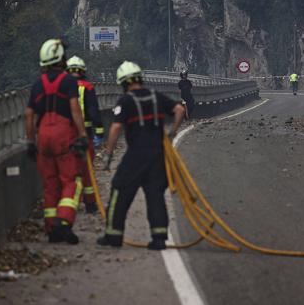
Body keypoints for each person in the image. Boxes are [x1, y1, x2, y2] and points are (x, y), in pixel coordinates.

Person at [97, 61, 185, 250]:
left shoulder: (126, 100)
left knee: (119, 190)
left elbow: (116, 127)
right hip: (158, 154)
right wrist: (173, 133)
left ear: (124, 83)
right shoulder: (155, 96)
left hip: (136, 154)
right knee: (155, 194)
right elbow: (179, 109)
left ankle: (113, 235)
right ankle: (159, 238)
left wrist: (109, 155)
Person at [25, 39, 89, 244]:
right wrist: (82, 135)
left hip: (43, 135)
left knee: (50, 184)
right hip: (63, 135)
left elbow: (29, 115)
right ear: (61, 58)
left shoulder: (37, 84)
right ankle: (64, 219)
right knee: (72, 180)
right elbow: (75, 109)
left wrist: (30, 141)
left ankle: (51, 229)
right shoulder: (68, 81)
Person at [66, 56, 104, 214]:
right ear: (83, 71)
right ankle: (90, 204)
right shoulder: (87, 87)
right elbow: (94, 112)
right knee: (86, 170)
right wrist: (99, 132)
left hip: (66, 134)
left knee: (68, 171)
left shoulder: (62, 87)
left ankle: (68, 203)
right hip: (84, 135)